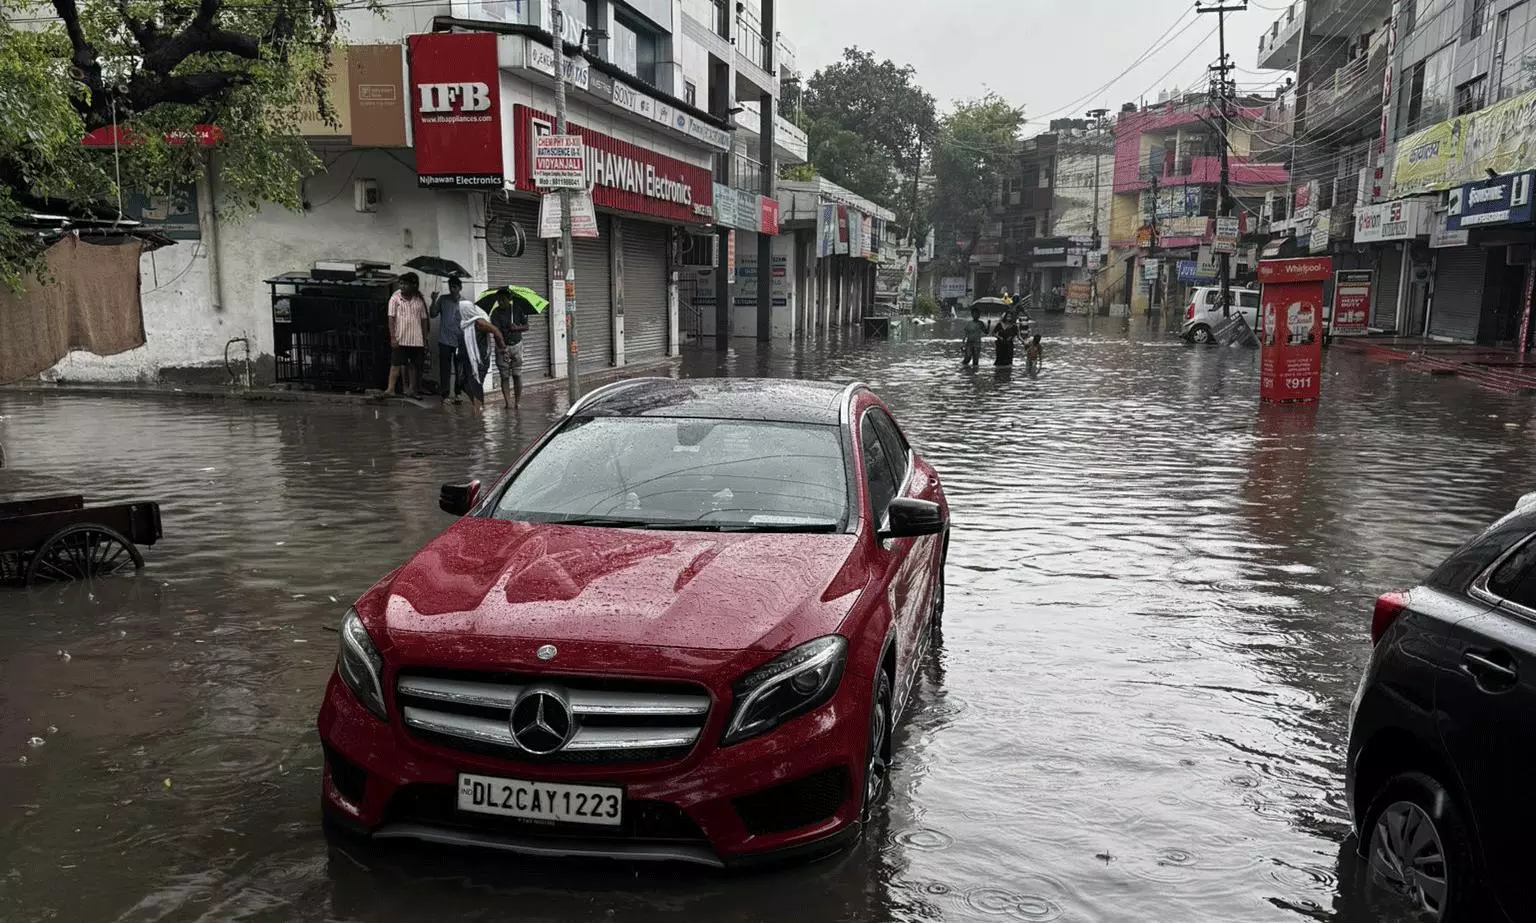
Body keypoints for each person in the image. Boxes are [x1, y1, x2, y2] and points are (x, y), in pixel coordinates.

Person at [454, 298, 507, 414]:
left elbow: (496, 331)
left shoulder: (479, 322)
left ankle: (478, 412)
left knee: (475, 385)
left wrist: (503, 349)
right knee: (462, 383)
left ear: (465, 310)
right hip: (467, 360)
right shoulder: (465, 323)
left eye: (459, 309)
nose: (457, 312)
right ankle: (478, 406)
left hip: (479, 361)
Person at [485, 290, 532, 408]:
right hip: (501, 348)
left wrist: (517, 328)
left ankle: (517, 402)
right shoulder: (495, 313)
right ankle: (508, 403)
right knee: (504, 376)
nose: (500, 302)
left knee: (517, 374)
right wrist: (503, 348)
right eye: (499, 300)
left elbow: (527, 326)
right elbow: (496, 332)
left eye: (503, 299)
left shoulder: (517, 309)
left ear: (509, 299)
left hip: (517, 345)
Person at [386, 273, 430, 397]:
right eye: (401, 284)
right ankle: (390, 389)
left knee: (413, 365)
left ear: (412, 285)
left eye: (405, 284)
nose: (402, 286)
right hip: (400, 338)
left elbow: (424, 320)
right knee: (396, 364)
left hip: (416, 339)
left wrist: (425, 338)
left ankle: (412, 390)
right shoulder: (395, 298)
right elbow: (391, 319)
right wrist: (393, 337)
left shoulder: (419, 300)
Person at [429, 277, 465, 402]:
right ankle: (445, 394)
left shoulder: (465, 303)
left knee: (460, 369)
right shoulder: (443, 299)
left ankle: (458, 394)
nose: (452, 289)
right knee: (445, 369)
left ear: (460, 288)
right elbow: (433, 314)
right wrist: (433, 300)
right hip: (444, 341)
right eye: (450, 287)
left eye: (455, 287)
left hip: (459, 342)